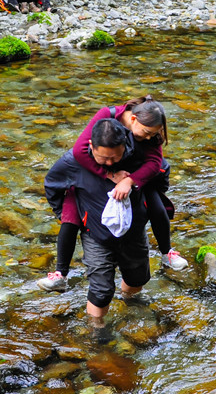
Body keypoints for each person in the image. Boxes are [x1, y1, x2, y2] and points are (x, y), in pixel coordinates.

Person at [38, 96, 186, 292]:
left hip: (137, 173)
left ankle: (167, 252)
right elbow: (79, 151)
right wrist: (108, 174)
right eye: (146, 133)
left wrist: (130, 180)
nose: (150, 137)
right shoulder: (107, 116)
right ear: (133, 119)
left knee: (155, 203)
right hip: (88, 177)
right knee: (70, 218)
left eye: (154, 134)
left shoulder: (150, 134)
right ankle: (60, 274)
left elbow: (155, 164)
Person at [44, 119, 151, 330]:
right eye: (103, 158)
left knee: (138, 275)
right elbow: (51, 184)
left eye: (115, 157)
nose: (110, 163)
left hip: (133, 230)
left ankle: (130, 302)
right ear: (91, 146)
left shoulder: (138, 155)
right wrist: (69, 215)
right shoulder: (73, 162)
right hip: (95, 234)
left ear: (125, 147)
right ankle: (97, 330)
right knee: (101, 290)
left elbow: (159, 172)